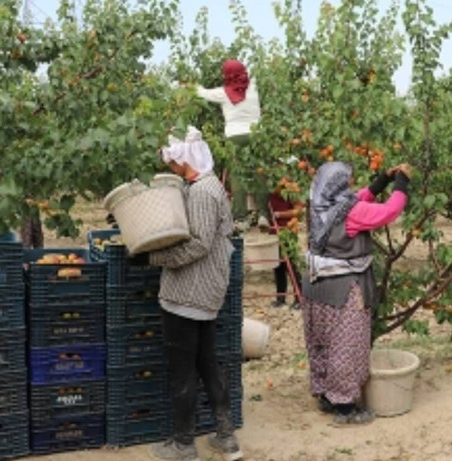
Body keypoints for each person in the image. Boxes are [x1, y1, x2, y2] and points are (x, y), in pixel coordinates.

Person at [148, 127, 243, 461]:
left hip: (188, 293)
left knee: (183, 369)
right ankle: (226, 437)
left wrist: (154, 257)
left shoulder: (202, 192)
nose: (170, 164)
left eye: (173, 159)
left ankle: (183, 444)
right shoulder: (207, 185)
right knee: (206, 362)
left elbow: (199, 243)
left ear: (185, 158)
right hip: (204, 293)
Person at [302, 162, 410, 425]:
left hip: (317, 287)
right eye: (348, 180)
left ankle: (327, 395)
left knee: (324, 342)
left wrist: (383, 180)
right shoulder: (351, 213)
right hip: (343, 289)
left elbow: (357, 198)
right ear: (338, 184)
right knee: (346, 344)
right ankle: (345, 408)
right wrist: (402, 183)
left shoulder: (319, 205)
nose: (351, 184)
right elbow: (389, 211)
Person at [196, 59, 268, 231]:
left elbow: (202, 93)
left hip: (235, 136)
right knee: (260, 174)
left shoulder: (223, 93)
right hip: (257, 135)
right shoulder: (254, 86)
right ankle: (263, 215)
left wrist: (191, 86)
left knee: (237, 177)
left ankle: (241, 219)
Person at [268, 190, 303, 309]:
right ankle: (280, 298)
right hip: (274, 231)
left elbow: (298, 210)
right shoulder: (269, 190)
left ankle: (299, 298)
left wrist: (279, 215)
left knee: (291, 265)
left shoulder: (290, 188)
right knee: (278, 265)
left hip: (287, 231)